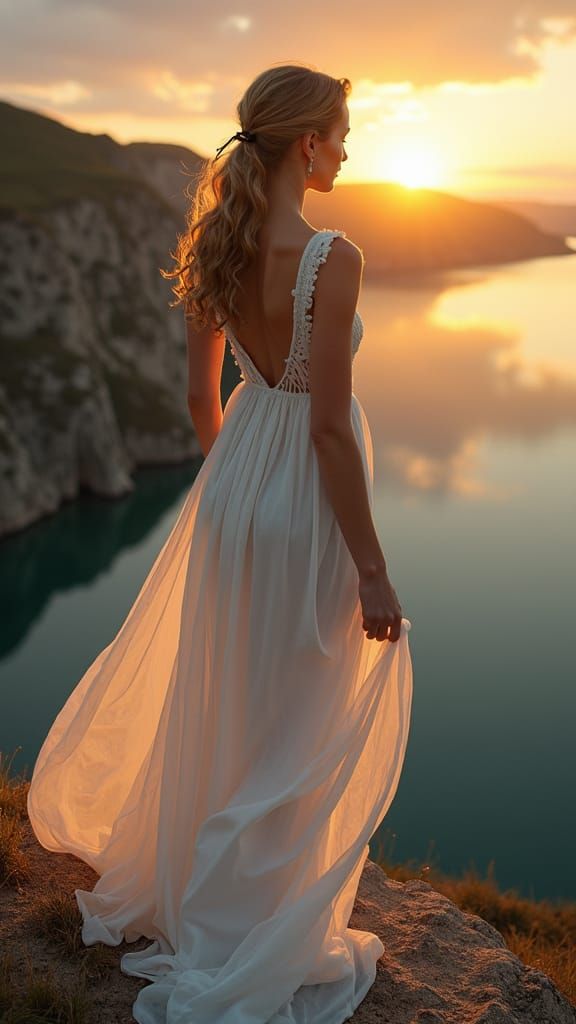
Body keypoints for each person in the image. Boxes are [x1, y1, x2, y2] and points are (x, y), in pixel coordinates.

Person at [27, 63, 413, 1024]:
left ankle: (210, 887)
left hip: (234, 489)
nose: (350, 148)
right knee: (296, 710)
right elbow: (328, 427)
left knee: (231, 686)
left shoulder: (218, 241)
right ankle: (253, 919)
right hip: (307, 505)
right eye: (342, 131)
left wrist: (239, 481)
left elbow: (204, 400)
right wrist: (372, 569)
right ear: (307, 143)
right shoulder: (334, 255)